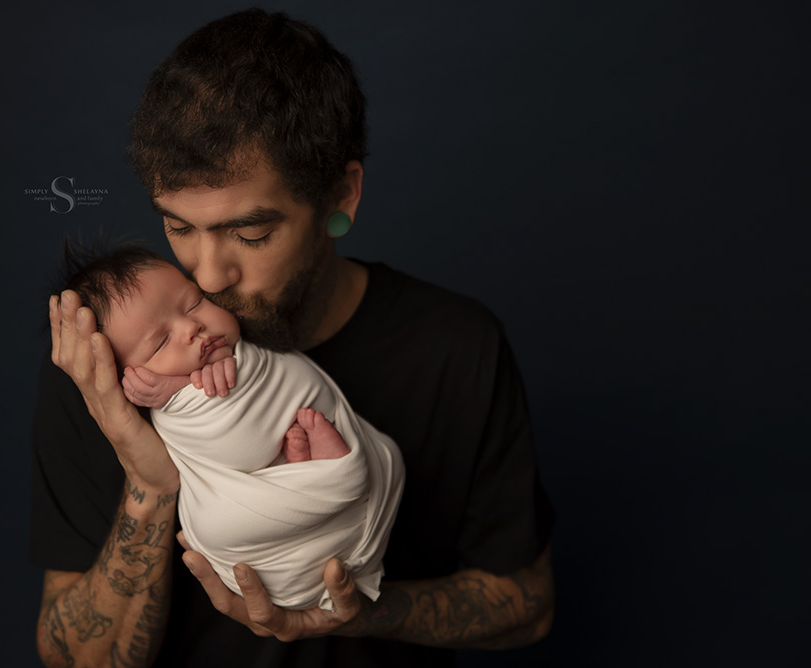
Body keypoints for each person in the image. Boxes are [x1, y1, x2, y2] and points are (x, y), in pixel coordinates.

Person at [31, 9, 555, 668]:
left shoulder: (456, 346)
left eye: (250, 234)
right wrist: (149, 481)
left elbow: (528, 605)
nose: (207, 274)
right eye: (179, 228)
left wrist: (369, 614)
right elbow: (77, 655)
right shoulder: (107, 362)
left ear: (341, 196)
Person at [58, 244, 404, 611]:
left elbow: (279, 387)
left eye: (193, 303)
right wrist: (179, 394)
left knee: (330, 420)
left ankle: (307, 468)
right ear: (126, 380)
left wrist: (199, 380)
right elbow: (235, 446)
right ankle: (313, 469)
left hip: (352, 523)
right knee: (212, 528)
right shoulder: (141, 409)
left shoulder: (252, 346)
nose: (191, 327)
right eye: (160, 343)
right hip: (274, 560)